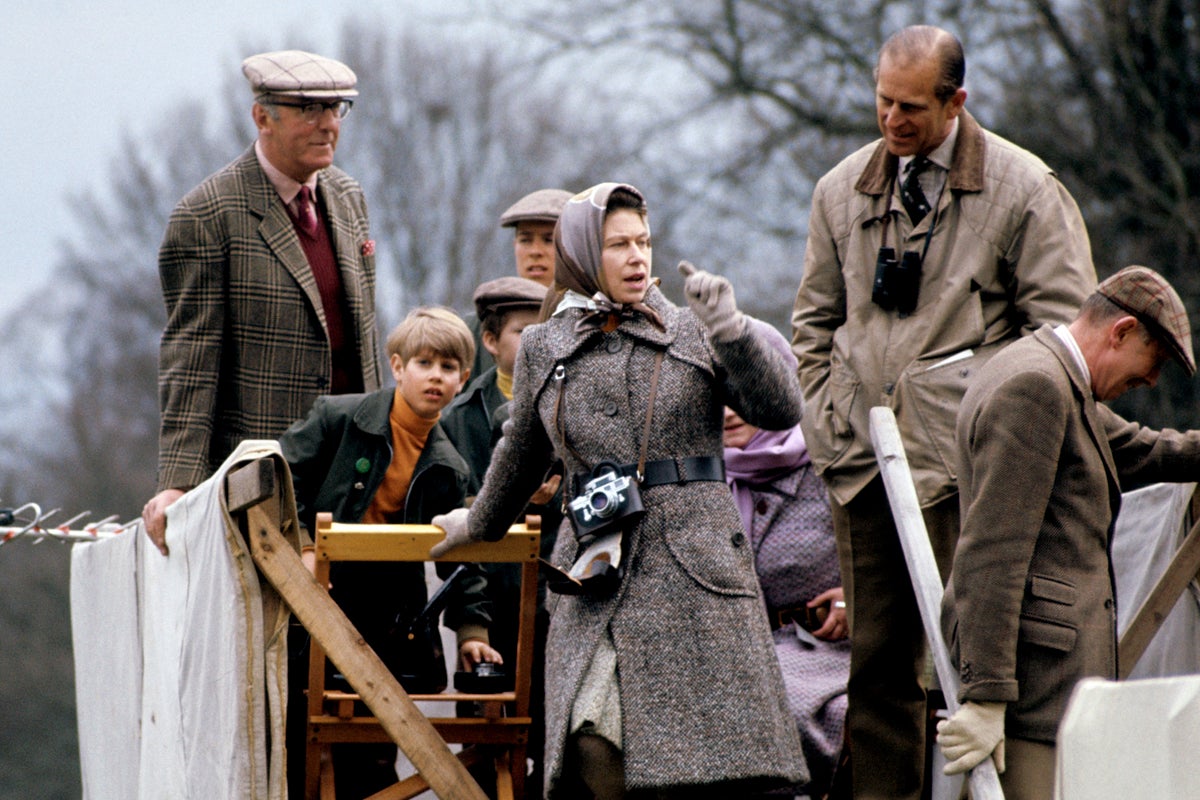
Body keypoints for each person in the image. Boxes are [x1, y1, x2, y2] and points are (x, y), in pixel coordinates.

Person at [790, 24, 1097, 799]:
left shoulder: (1025, 189)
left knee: (971, 663)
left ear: (958, 100)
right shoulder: (840, 190)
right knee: (878, 670)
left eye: (912, 108)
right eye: (883, 102)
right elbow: (813, 326)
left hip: (973, 471)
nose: (892, 122)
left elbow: (1064, 339)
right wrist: (833, 430)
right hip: (866, 469)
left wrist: (973, 409)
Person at [429, 182, 807, 798]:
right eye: (617, 244)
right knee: (591, 738)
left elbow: (779, 409)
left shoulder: (694, 328)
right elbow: (522, 450)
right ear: (582, 252)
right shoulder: (547, 344)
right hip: (594, 571)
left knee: (707, 772)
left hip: (697, 575)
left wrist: (733, 331)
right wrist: (478, 524)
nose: (637, 257)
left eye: (644, 242)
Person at [938, 266, 1200, 800]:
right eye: (1155, 363)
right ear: (1122, 331)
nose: (1151, 382)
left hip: (1046, 683)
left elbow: (1145, 450)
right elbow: (993, 551)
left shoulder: (1054, 379)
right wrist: (987, 696)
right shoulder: (1037, 388)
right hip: (1033, 691)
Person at [143, 49, 383, 554]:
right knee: (276, 630)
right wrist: (180, 481)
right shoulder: (207, 214)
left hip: (357, 469)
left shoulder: (348, 196)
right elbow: (190, 359)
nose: (327, 126)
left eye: (336, 109)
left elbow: (363, 338)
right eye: (308, 110)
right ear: (262, 117)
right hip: (266, 474)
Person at [278, 306, 499, 798]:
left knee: (372, 757)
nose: (436, 377)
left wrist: (471, 631)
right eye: (425, 364)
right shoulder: (337, 418)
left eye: (448, 368)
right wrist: (308, 547)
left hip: (385, 620)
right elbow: (277, 477)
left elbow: (462, 556)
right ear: (398, 367)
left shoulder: (450, 468)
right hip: (314, 606)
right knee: (300, 747)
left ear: (463, 380)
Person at [441, 274, 561, 798]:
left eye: (546, 330)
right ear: (490, 341)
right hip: (490, 604)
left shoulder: (572, 405)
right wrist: (472, 625)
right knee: (486, 749)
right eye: (522, 331)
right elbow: (453, 522)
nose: (536, 341)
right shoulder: (459, 419)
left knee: (559, 747)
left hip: (560, 604)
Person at [722, 320, 851, 800]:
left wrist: (857, 601)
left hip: (825, 653)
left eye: (745, 394)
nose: (730, 411)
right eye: (718, 395)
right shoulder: (695, 477)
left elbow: (891, 556)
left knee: (769, 710)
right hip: (729, 652)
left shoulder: (832, 464)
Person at [466, 188, 573, 387]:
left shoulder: (594, 319)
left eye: (549, 240)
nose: (535, 251)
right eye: (525, 240)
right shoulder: (476, 328)